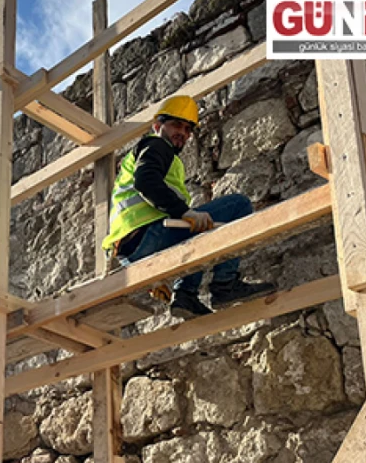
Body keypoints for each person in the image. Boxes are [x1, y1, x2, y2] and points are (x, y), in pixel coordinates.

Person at [102, 95, 276, 319]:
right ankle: (224, 285)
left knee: (195, 229)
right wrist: (185, 212)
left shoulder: (164, 160)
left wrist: (152, 275)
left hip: (130, 248)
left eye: (187, 129)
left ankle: (185, 297)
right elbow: (146, 182)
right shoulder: (155, 145)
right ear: (157, 126)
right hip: (145, 234)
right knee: (237, 205)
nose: (182, 133)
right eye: (176, 125)